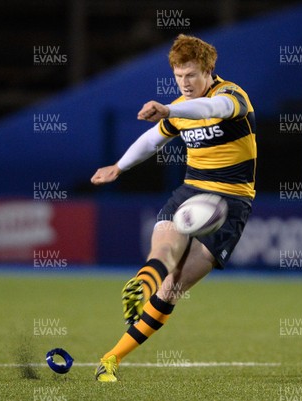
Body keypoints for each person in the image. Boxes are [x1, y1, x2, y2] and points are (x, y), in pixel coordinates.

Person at [90, 33, 256, 382]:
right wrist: (119, 167)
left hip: (231, 202)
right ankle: (140, 286)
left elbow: (212, 110)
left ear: (209, 69)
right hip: (190, 191)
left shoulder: (230, 96)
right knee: (163, 251)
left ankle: (111, 357)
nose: (185, 83)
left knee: (175, 286)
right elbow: (152, 139)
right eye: (179, 77)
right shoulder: (181, 107)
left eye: (192, 75)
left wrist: (169, 108)